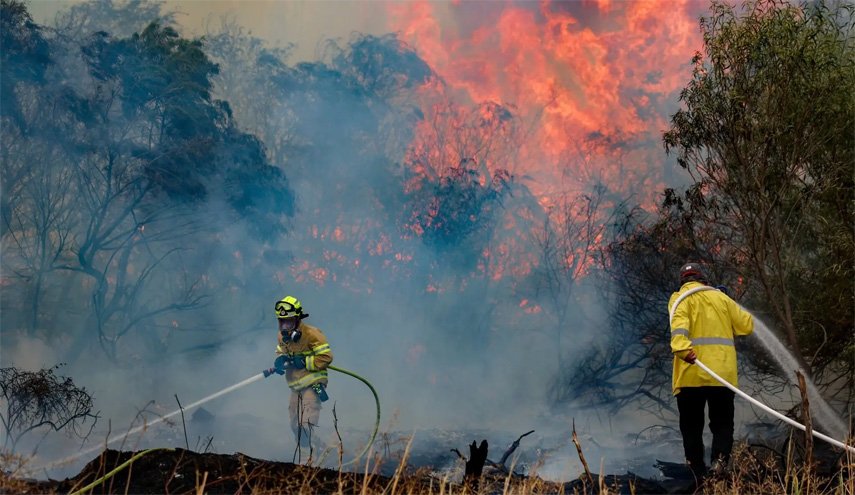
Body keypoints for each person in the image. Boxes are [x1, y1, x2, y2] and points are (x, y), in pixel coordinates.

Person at [669, 262, 753, 480]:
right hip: (722, 376)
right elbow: (746, 325)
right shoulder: (721, 298)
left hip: (690, 374)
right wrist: (728, 300)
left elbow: (678, 327)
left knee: (691, 427)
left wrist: (682, 350)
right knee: (723, 424)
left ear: (683, 281)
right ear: (703, 279)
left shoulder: (680, 298)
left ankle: (696, 471)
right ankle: (719, 466)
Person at [265, 295, 333, 454]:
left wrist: (304, 362)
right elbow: (280, 351)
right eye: (282, 322)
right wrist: (280, 360)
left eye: (288, 321)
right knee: (295, 425)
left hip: (313, 384)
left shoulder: (312, 334)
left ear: (297, 319)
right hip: (295, 386)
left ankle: (309, 459)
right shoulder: (281, 336)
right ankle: (316, 445)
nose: (285, 326)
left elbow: (326, 357)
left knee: (306, 423)